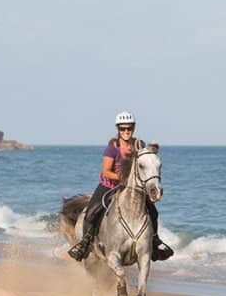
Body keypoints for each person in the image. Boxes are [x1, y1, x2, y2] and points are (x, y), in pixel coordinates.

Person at [67, 111, 174, 262]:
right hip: (109, 186)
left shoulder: (139, 145)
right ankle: (85, 243)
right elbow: (105, 171)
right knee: (92, 212)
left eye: (129, 128)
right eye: (123, 129)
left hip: (133, 189)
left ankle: (155, 244)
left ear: (133, 128)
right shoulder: (112, 148)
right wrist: (123, 178)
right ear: (118, 129)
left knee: (153, 212)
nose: (126, 132)